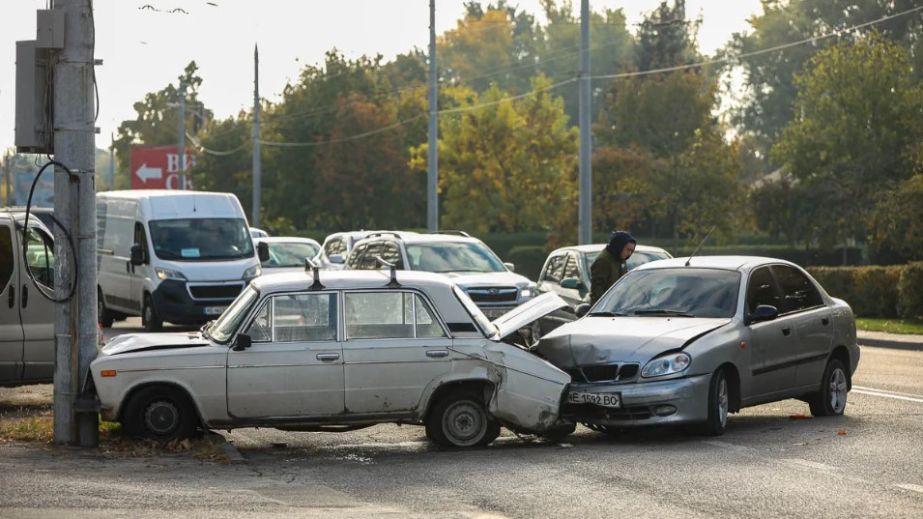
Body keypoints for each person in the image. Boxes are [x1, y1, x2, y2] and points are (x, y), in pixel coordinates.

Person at [590, 230, 637, 305]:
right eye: (628, 249)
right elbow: (597, 290)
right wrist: (604, 308)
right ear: (619, 246)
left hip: (618, 306)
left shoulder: (620, 259)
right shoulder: (603, 261)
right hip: (605, 309)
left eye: (632, 250)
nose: (629, 253)